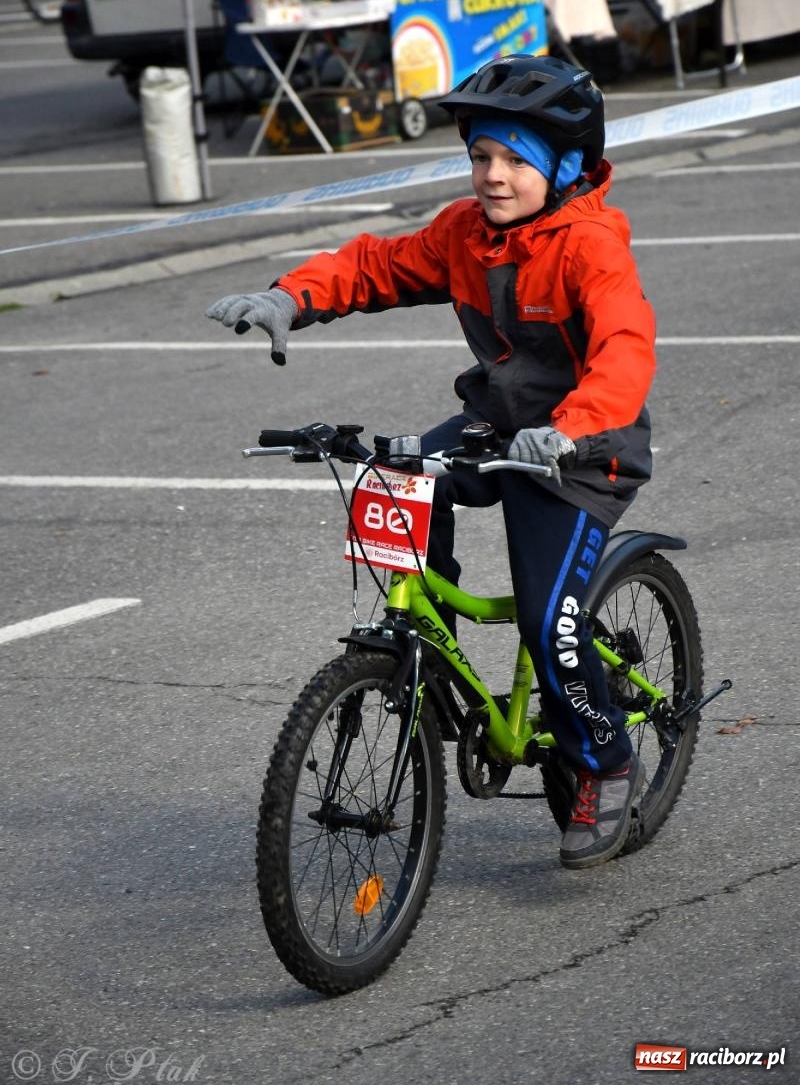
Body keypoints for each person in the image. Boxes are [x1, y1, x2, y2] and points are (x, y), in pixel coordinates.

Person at [206, 54, 657, 870]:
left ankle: (605, 761)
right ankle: (424, 654)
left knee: (546, 621)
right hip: (498, 427)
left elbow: (625, 350)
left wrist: (572, 428)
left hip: (584, 450)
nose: (491, 174)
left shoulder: (589, 245)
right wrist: (289, 297)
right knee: (400, 478)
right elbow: (377, 265)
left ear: (563, 167)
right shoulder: (466, 235)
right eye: (481, 155)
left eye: (516, 159)